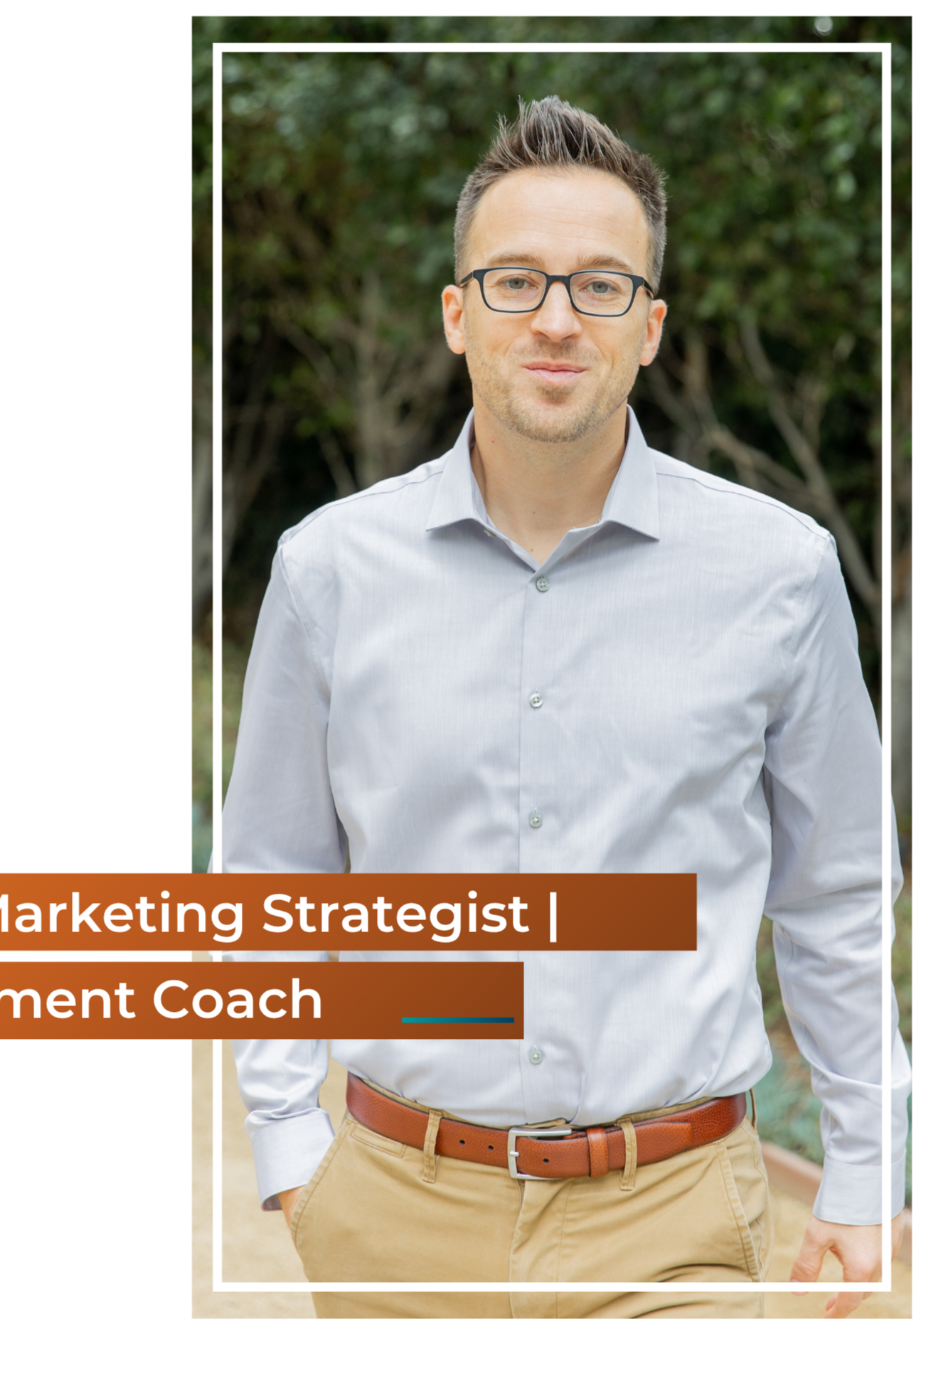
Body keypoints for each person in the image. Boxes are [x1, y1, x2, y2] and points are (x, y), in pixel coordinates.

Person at [220, 96, 907, 1320]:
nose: (553, 318)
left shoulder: (779, 571)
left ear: (649, 327)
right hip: (395, 1217)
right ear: (456, 315)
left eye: (599, 286)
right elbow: (272, 870)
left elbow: (837, 889)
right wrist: (289, 1143)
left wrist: (862, 1167)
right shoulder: (329, 570)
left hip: (676, 1213)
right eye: (515, 280)